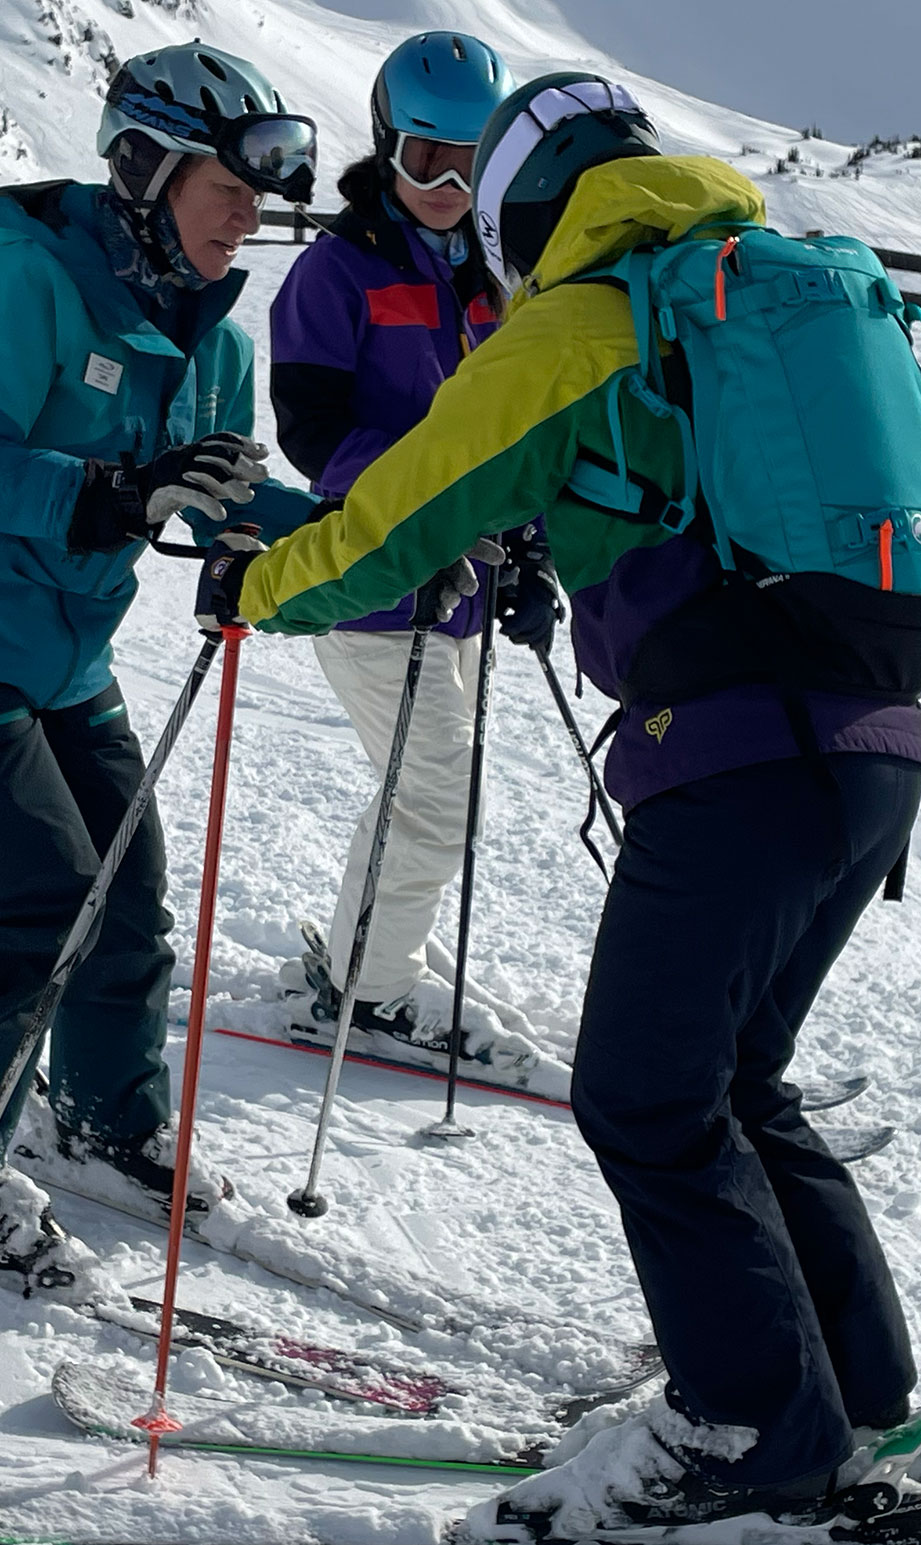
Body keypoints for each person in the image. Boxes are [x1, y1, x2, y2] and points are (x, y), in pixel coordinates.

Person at [196, 75, 921, 1543]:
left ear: (531, 207)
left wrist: (257, 582)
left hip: (732, 759)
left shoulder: (586, 323)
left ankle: (749, 1433)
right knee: (734, 1079)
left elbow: (395, 522)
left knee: (647, 1099)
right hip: (872, 748)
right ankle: (853, 1398)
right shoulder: (755, 294)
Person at [0, 43, 319, 1281]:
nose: (248, 217)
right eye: (229, 189)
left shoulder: (214, 339)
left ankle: (104, 1118)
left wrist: (407, 546)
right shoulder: (29, 285)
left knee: (125, 889)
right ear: (146, 169)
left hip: (58, 651)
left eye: (261, 199)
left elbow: (225, 497)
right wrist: (111, 491)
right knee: (44, 895)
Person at [267, 32, 554, 1057]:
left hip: (464, 587)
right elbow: (313, 432)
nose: (445, 182)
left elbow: (518, 434)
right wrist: (430, 506)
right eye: (426, 157)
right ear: (388, 147)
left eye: (470, 161)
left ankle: (368, 954)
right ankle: (368, 995)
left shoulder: (498, 280)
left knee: (433, 786)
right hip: (377, 580)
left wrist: (529, 553)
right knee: (436, 789)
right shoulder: (336, 273)